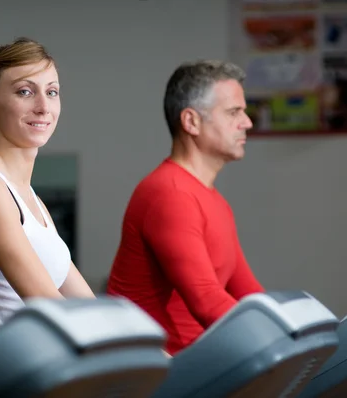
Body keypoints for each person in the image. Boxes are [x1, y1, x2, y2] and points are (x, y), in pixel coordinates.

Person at [106, 60, 265, 355]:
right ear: (191, 121)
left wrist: (294, 334)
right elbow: (206, 300)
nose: (247, 123)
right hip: (159, 374)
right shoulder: (170, 194)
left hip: (193, 365)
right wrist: (276, 338)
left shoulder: (214, 201)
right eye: (234, 112)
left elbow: (249, 294)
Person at [0, 37, 95, 327]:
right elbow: (46, 301)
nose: (43, 107)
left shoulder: (33, 202)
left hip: (41, 363)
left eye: (52, 92)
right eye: (25, 91)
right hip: (2, 367)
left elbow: (87, 305)